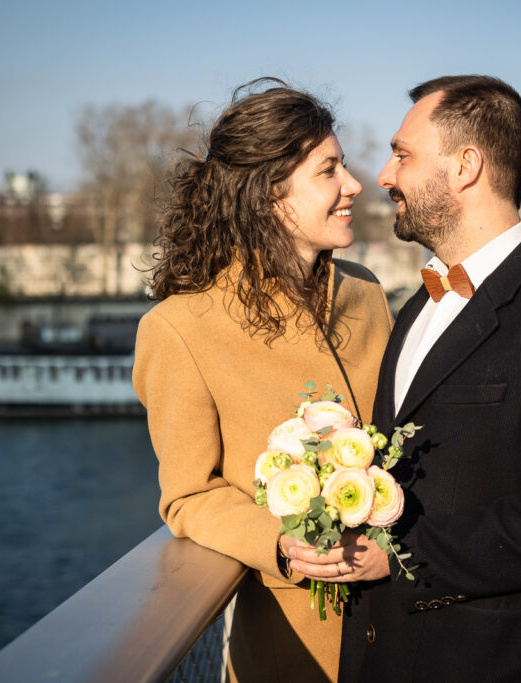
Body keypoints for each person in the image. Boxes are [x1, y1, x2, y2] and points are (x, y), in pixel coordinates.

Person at [285, 75, 521, 682]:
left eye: (403, 154)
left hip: (496, 662)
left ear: (466, 166)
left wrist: (396, 559)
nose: (384, 176)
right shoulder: (419, 304)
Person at [131, 79, 392, 683]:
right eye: (330, 170)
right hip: (293, 646)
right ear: (270, 195)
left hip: (409, 631)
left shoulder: (367, 291)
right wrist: (281, 543)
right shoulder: (178, 329)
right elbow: (188, 495)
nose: (354, 185)